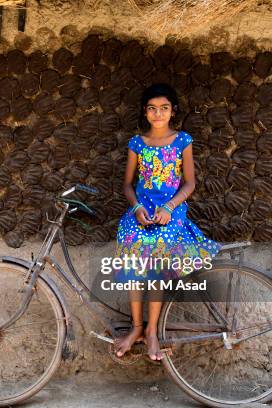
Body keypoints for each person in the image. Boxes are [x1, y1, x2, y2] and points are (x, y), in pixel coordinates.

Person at [112, 83, 222, 361]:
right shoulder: (137, 143)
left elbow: (190, 182)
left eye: (163, 108)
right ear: (145, 112)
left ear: (173, 111)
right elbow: (127, 185)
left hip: (172, 210)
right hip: (141, 210)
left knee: (157, 249)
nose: (157, 114)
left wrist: (171, 207)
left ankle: (151, 331)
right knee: (132, 245)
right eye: (152, 109)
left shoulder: (182, 140)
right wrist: (136, 207)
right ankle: (136, 327)